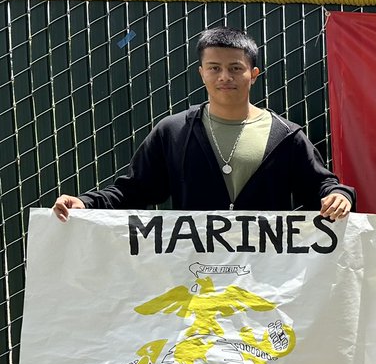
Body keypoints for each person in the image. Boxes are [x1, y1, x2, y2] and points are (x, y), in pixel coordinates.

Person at [53, 27, 354, 220]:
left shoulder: (285, 135)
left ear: (254, 74)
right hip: (191, 271)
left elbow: (322, 187)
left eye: (236, 68)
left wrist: (340, 196)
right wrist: (85, 204)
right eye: (215, 68)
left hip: (267, 276)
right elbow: (134, 191)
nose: (225, 76)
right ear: (202, 73)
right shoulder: (173, 131)